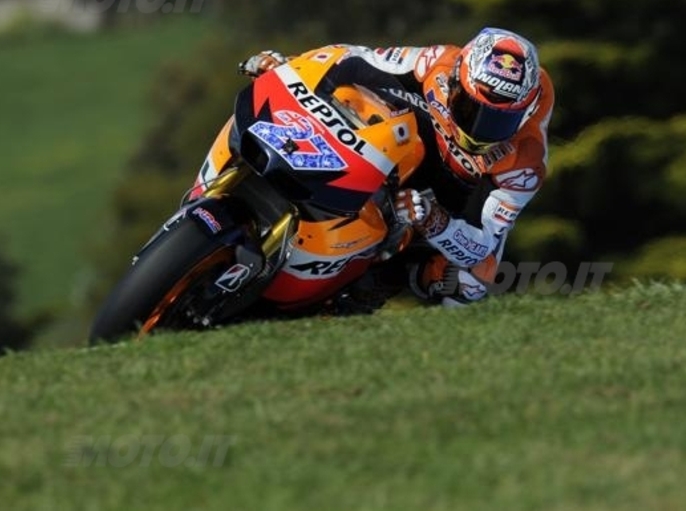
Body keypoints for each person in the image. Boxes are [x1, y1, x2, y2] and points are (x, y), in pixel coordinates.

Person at [238, 28, 555, 307]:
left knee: (472, 282)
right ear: (456, 81)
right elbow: (354, 57)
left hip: (457, 198)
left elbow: (482, 248)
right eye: (470, 108)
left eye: (499, 121)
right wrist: (292, 66)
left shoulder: (525, 163)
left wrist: (434, 220)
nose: (478, 129)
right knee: (348, 93)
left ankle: (371, 287)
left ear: (524, 114)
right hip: (409, 140)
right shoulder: (438, 63)